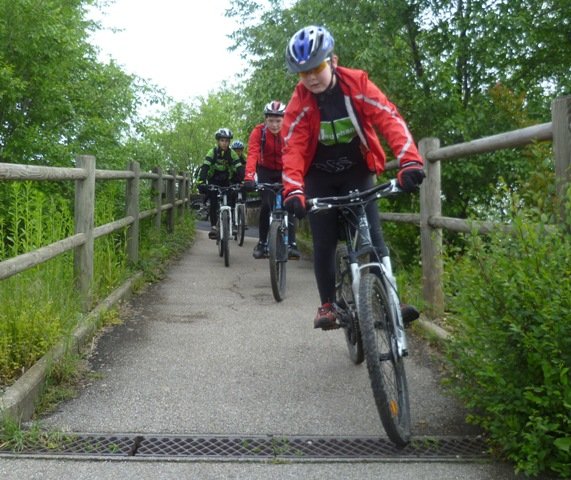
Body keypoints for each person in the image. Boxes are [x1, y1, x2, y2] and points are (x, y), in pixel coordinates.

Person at [281, 25, 425, 330]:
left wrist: (409, 160)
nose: (310, 77)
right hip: (318, 177)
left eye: (316, 67)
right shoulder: (299, 103)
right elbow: (291, 147)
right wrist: (293, 190)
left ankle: (390, 299)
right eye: (302, 72)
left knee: (372, 234)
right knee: (323, 242)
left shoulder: (356, 84)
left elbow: (388, 117)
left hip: (356, 171)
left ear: (333, 60)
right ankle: (328, 305)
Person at [243, 100, 300, 260]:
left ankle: (292, 244)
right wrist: (249, 177)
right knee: (266, 205)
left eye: (278, 121)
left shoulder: (290, 132)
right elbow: (253, 154)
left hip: (285, 170)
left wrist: (298, 178)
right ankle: (261, 243)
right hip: (265, 170)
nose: (274, 125)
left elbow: (296, 154)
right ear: (265, 119)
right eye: (270, 121)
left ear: (284, 119)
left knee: (290, 203)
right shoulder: (258, 132)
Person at [197, 128, 245, 239]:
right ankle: (214, 227)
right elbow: (205, 167)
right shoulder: (212, 152)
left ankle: (231, 223)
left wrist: (243, 180)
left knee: (230, 199)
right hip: (213, 179)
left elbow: (239, 168)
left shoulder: (232, 153)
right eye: (222, 140)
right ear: (218, 141)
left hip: (225, 179)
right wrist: (201, 181)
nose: (224, 143)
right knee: (213, 200)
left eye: (227, 141)